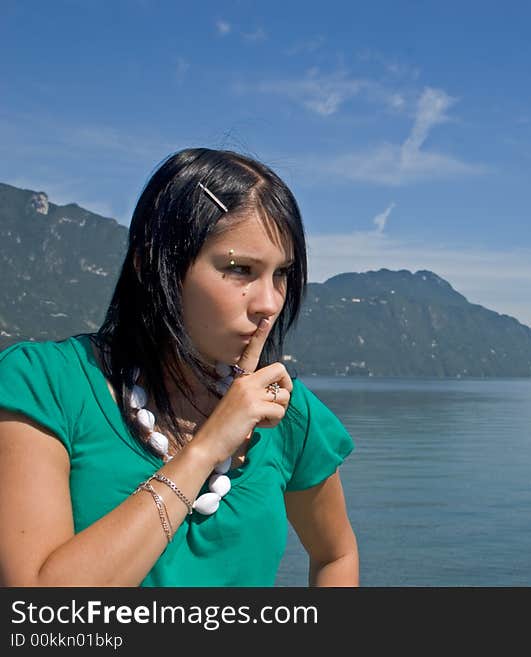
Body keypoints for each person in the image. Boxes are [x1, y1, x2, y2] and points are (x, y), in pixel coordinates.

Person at [0, 147, 358, 586]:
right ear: (153, 266)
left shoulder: (283, 409)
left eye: (281, 273)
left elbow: (336, 553)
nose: (269, 304)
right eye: (239, 269)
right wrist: (206, 448)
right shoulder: (44, 386)